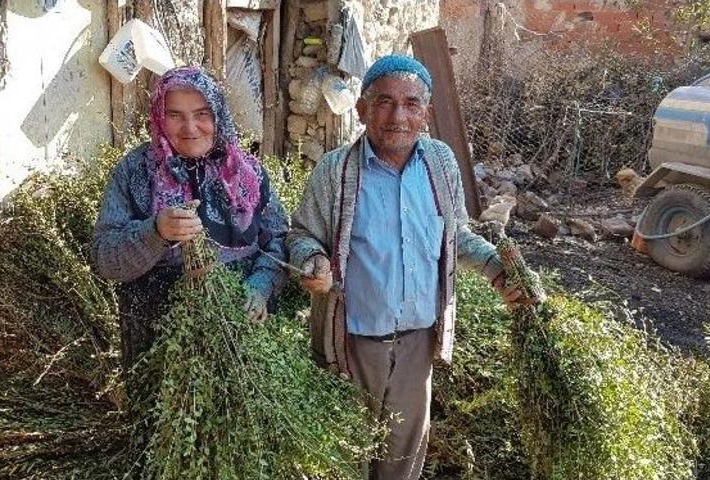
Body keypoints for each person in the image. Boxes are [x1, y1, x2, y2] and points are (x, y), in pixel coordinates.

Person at [287, 54, 523, 480]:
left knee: (403, 459)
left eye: (411, 104)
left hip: (417, 344)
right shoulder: (335, 171)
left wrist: (496, 269)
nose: (398, 116)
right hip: (352, 343)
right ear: (362, 110)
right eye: (384, 102)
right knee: (346, 455)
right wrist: (313, 260)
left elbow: (455, 238)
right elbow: (300, 234)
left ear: (426, 112)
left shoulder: (440, 164)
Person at [92, 66, 288, 388]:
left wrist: (260, 287)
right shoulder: (134, 172)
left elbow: (278, 240)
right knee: (165, 424)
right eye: (174, 115)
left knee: (238, 419)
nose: (190, 128)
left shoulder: (247, 173)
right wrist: (154, 232)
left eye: (202, 114)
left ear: (218, 114)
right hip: (159, 335)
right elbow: (104, 257)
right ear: (158, 117)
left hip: (243, 327)